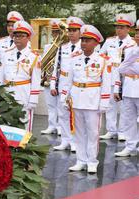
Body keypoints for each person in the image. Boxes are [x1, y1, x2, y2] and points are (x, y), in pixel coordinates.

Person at [60, 25, 112, 175]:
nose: (83, 43)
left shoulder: (103, 60)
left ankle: (92, 161)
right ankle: (81, 160)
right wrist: (64, 97)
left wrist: (104, 102)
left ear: (96, 43)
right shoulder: (74, 58)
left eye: (87, 40)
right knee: (78, 132)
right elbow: (67, 80)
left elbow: (106, 83)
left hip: (93, 101)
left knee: (93, 133)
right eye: (82, 40)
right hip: (76, 99)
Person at [0, 20, 41, 132]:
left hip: (23, 93)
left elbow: (36, 80)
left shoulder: (33, 57)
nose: (17, 39)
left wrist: (33, 99)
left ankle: (24, 146)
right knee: (8, 122)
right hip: (7, 92)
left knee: (24, 123)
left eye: (21, 36)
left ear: (28, 38)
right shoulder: (6, 54)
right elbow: (0, 77)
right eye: (16, 36)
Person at [99, 14, 137, 141]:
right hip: (110, 75)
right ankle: (111, 130)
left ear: (128, 29)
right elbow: (100, 55)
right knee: (110, 105)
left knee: (123, 107)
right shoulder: (110, 41)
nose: (118, 30)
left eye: (122, 27)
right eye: (117, 27)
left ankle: (122, 131)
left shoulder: (132, 43)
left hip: (125, 77)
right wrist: (108, 60)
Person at [51, 16, 84, 152]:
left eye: (74, 30)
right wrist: (53, 84)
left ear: (80, 32)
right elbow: (56, 67)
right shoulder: (62, 47)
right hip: (63, 82)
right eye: (69, 30)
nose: (71, 33)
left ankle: (76, 141)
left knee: (75, 114)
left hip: (76, 84)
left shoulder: (85, 47)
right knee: (62, 113)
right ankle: (65, 140)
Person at [40, 19, 64, 135]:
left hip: (61, 79)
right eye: (54, 32)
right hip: (49, 78)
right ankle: (52, 125)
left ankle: (60, 126)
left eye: (58, 32)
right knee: (50, 104)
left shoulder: (66, 47)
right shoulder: (48, 46)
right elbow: (44, 62)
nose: (55, 35)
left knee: (60, 105)